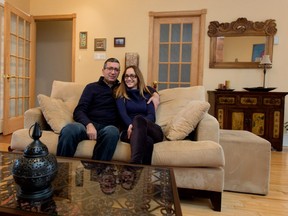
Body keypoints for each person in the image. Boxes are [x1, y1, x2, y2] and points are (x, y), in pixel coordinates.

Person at [56, 58, 160, 161]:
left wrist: (155, 94)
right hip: (87, 125)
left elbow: (142, 87)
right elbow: (79, 111)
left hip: (108, 127)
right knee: (69, 129)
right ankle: (63, 168)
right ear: (103, 70)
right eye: (110, 68)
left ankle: (97, 171)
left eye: (116, 70)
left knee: (112, 132)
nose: (113, 72)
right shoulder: (91, 87)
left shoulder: (121, 88)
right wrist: (88, 124)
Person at [115, 65, 163, 165]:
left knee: (138, 119)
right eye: (126, 76)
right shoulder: (120, 94)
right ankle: (141, 172)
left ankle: (134, 165)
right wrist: (131, 125)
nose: (129, 79)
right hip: (128, 132)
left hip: (150, 129)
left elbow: (151, 115)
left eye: (132, 76)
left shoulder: (147, 93)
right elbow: (123, 115)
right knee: (148, 142)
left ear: (138, 77)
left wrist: (137, 124)